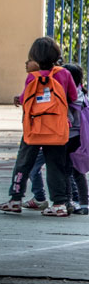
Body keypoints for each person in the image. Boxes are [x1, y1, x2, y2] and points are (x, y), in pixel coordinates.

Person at [0, 36, 75, 217]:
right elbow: (72, 96)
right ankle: (59, 203)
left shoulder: (31, 78)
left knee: (23, 164)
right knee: (55, 165)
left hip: (33, 129)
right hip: (57, 129)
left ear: (34, 57)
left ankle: (15, 199)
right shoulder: (64, 74)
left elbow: (27, 100)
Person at [65, 63, 88, 214]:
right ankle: (84, 203)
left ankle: (68, 201)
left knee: (66, 170)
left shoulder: (73, 97)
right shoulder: (83, 94)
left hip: (71, 136)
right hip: (79, 137)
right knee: (78, 172)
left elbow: (70, 119)